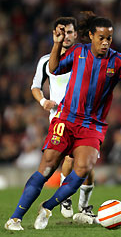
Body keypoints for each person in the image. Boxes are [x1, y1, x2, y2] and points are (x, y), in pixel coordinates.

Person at [5, 11, 121, 231]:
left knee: (82, 169)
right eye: (101, 37)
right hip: (66, 118)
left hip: (92, 126)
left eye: (109, 38)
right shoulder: (78, 52)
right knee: (46, 170)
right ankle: (15, 218)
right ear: (91, 35)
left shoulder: (118, 60)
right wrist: (57, 44)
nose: (105, 42)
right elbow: (53, 68)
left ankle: (48, 206)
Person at [31, 16, 95, 219]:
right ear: (54, 34)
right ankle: (65, 197)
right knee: (70, 158)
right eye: (62, 32)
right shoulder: (45, 61)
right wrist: (43, 102)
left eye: (69, 32)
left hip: (85, 118)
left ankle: (83, 206)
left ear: (76, 34)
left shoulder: (84, 56)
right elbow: (35, 86)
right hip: (59, 117)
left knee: (88, 165)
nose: (66, 36)